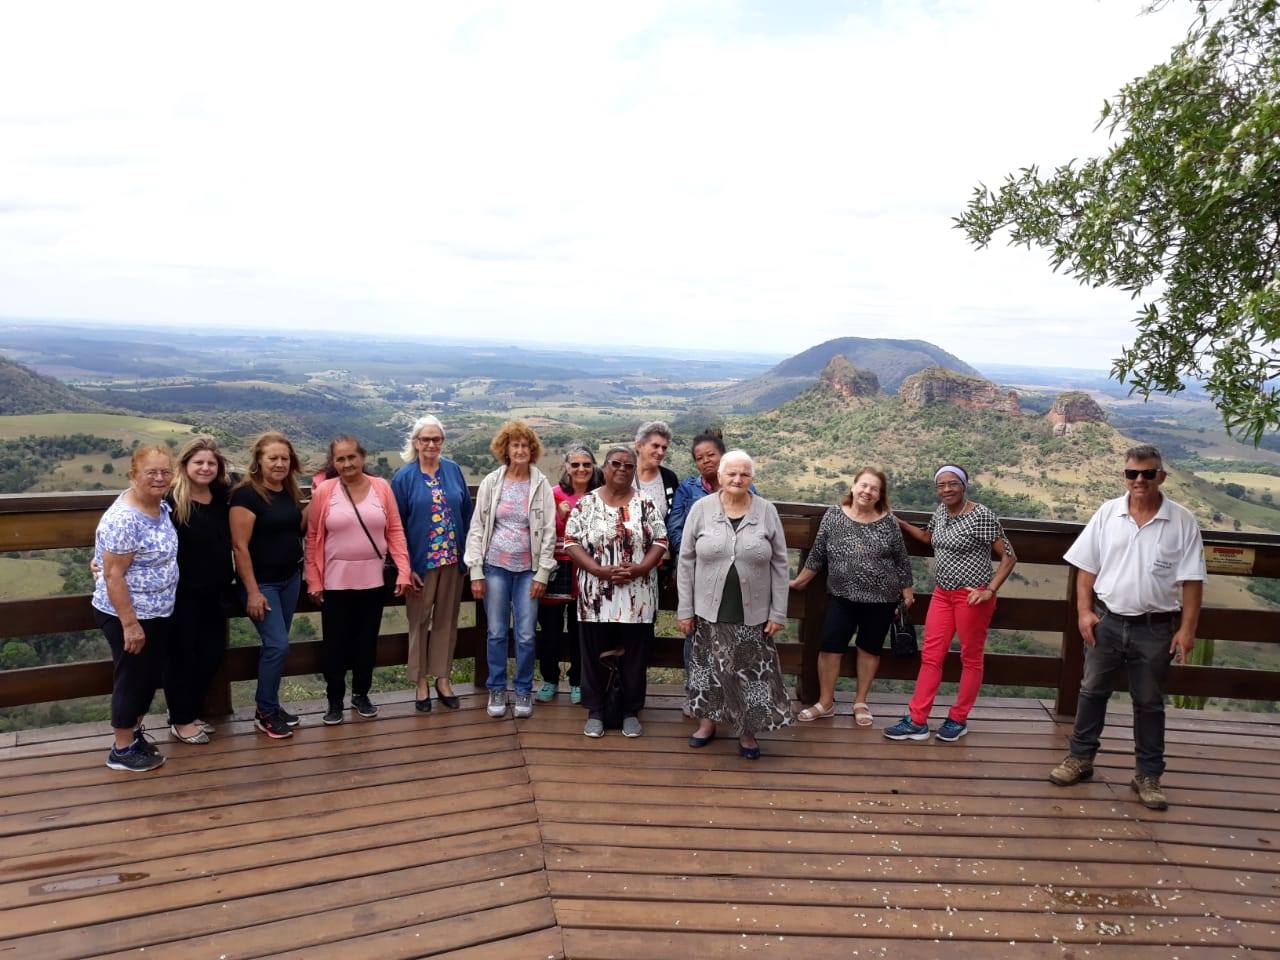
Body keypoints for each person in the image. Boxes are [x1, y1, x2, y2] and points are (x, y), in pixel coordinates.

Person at [1049, 445, 1205, 811]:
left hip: (1156, 627)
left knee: (1149, 703)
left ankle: (1148, 776)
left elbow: (1193, 582)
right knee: (1091, 692)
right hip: (1108, 620)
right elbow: (1086, 568)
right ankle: (1080, 759)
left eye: (1148, 473)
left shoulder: (1182, 522)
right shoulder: (1108, 514)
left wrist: (1187, 629)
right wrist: (1084, 612)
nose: (1139, 480)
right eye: (1132, 473)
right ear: (1124, 475)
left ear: (1161, 476)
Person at [886, 464, 1016, 743]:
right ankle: (917, 720)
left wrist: (989, 590)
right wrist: (900, 523)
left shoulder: (981, 515)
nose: (946, 489)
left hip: (972, 596)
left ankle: (958, 718)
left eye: (952, 483)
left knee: (971, 658)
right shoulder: (941, 512)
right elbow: (928, 538)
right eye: (941, 485)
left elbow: (1009, 557)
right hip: (942, 594)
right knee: (931, 656)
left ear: (964, 485)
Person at [677, 450, 793, 758]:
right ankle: (707, 723)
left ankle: (748, 732)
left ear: (751, 478)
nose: (738, 479)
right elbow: (686, 561)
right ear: (720, 477)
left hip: (752, 613)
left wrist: (778, 611)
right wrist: (685, 609)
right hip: (706, 611)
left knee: (751, 674)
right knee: (706, 670)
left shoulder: (766, 511)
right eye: (731, 474)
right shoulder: (701, 509)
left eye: (744, 474)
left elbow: (781, 564)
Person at [790, 467, 914, 726]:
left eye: (874, 489)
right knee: (829, 648)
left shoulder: (888, 521)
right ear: (854, 486)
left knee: (869, 650)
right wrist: (800, 581)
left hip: (882, 599)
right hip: (842, 596)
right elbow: (818, 554)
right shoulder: (834, 515)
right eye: (864, 485)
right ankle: (825, 702)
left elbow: (901, 559)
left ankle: (860, 702)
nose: (867, 492)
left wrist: (907, 593)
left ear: (880, 495)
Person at [306, 435, 412, 725]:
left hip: (373, 579)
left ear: (362, 457)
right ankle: (334, 700)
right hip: (334, 581)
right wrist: (314, 580)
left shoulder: (381, 487)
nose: (347, 463)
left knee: (367, 642)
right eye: (340, 459)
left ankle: (361, 694)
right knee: (335, 644)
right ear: (334, 462)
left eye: (352, 457)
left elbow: (395, 530)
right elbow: (313, 536)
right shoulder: (324, 491)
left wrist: (403, 569)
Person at [564, 445, 668, 738]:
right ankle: (595, 710)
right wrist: (598, 570)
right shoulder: (586, 504)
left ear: (635, 471)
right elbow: (571, 542)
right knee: (593, 652)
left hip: (638, 595)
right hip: (595, 596)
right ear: (605, 468)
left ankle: (630, 710)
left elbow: (660, 542)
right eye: (616, 464)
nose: (622, 469)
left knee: (635, 654)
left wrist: (639, 569)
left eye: (629, 466)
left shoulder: (646, 504)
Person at [92, 445, 179, 772]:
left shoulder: (159, 506)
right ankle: (122, 749)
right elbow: (114, 575)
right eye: (151, 473)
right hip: (128, 614)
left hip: (156, 611)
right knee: (132, 678)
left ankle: (133, 734)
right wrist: (130, 625)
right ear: (133, 476)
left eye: (165, 472)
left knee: (145, 676)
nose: (159, 478)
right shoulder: (125, 518)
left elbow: (106, 556)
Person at [463, 421, 557, 720]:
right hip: (495, 567)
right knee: (496, 633)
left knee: (527, 634)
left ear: (532, 450)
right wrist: (476, 570)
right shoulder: (493, 482)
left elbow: (549, 531)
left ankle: (524, 690)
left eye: (525, 446)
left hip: (528, 570)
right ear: (505, 449)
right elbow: (477, 527)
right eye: (514, 445)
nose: (520, 450)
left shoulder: (540, 484)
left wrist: (543, 573)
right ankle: (497, 688)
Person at [391, 415, 473, 712]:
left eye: (436, 439)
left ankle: (442, 678)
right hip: (419, 566)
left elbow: (466, 512)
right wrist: (405, 566)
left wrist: (467, 555)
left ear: (443, 442)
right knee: (419, 622)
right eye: (425, 439)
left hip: (452, 561)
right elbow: (395, 526)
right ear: (415, 442)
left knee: (446, 623)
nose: (430, 444)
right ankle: (421, 682)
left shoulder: (452, 471)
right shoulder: (404, 477)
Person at [231, 431, 307, 739]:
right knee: (278, 645)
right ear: (258, 461)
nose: (279, 464)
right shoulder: (246, 495)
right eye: (272, 458)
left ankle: (272, 705)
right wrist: (252, 591)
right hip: (263, 584)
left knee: (277, 646)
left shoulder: (287, 490)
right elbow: (239, 547)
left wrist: (321, 501)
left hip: (290, 579)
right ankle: (264, 711)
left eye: (284, 458)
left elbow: (295, 528)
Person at [164, 437, 233, 745]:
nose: (205, 468)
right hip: (183, 593)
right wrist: (100, 558)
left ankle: (187, 712)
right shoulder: (170, 500)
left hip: (216, 591)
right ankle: (181, 719)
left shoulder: (221, 496)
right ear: (185, 465)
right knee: (182, 656)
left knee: (212, 653)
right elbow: (132, 514)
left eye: (211, 463)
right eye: (198, 463)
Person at [535, 443, 602, 704]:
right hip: (555, 568)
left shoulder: (600, 495)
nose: (581, 469)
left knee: (579, 631)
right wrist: (560, 517)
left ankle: (577, 681)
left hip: (585, 569)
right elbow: (540, 529)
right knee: (550, 630)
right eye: (575, 464)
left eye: (586, 464)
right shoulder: (553, 494)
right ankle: (549, 679)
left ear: (593, 466)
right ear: (566, 467)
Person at [633, 420, 678, 519]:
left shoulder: (669, 478)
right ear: (639, 446)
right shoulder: (622, 475)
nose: (661, 452)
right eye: (655, 446)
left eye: (664, 448)